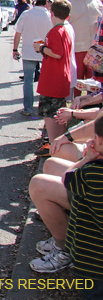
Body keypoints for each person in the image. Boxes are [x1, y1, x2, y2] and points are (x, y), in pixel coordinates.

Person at [61, 115, 103, 295]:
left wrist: (86, 159)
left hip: (92, 263)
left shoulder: (91, 173)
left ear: (98, 140)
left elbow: (66, 177)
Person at [35, 0, 74, 145]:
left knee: (50, 114)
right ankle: (59, 143)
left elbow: (57, 53)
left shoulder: (56, 31)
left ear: (52, 13)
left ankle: (53, 144)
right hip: (61, 78)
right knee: (59, 111)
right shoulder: (65, 30)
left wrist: (42, 48)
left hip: (53, 80)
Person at [13, 0, 54, 117]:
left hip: (28, 52)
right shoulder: (50, 16)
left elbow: (18, 33)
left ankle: (28, 108)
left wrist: (15, 49)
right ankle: (45, 107)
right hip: (45, 52)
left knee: (28, 81)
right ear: (46, 2)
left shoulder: (26, 14)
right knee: (47, 80)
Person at [68, 0, 103, 97]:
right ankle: (75, 110)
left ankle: (92, 110)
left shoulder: (97, 3)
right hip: (76, 50)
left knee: (95, 84)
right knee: (77, 83)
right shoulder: (69, 4)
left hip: (95, 52)